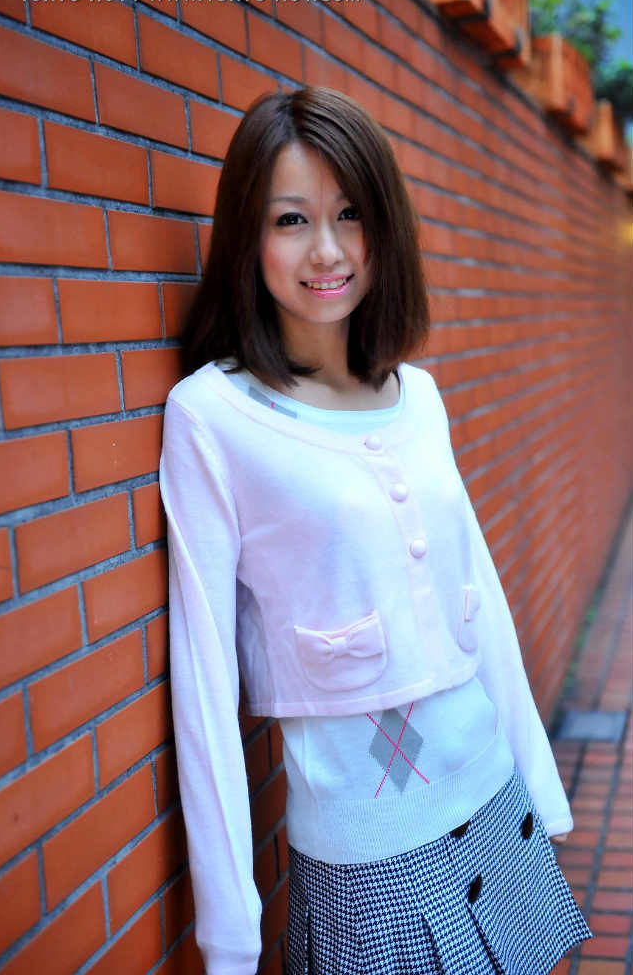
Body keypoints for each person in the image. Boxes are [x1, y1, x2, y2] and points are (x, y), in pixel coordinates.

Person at [158, 85, 591, 975]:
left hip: (493, 794)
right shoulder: (214, 417)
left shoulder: (416, 395)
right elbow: (202, 680)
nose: (326, 250)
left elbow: (482, 599)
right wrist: (230, 934)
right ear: (246, 237)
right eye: (290, 219)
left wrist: (539, 784)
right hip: (369, 853)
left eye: (349, 213)